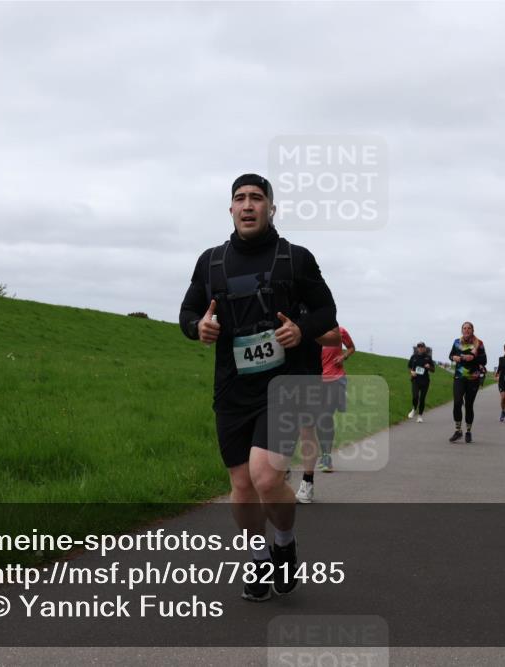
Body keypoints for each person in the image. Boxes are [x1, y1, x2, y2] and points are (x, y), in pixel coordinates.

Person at [179, 174, 337, 601]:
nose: (248, 205)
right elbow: (188, 311)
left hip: (286, 385)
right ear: (230, 209)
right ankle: (258, 557)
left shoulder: (295, 259)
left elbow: (327, 311)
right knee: (242, 488)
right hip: (233, 388)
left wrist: (300, 330)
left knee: (266, 477)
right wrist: (200, 327)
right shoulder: (211, 262)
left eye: (256, 198)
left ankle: (283, 543)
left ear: (271, 207)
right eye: (239, 198)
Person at [292, 323, 340, 504]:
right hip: (277, 376)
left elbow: (336, 338)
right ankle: (278, 471)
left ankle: (307, 481)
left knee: (308, 428)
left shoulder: (315, 301)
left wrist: (303, 331)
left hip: (312, 377)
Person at [315, 325, 354, 473]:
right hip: (318, 380)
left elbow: (351, 347)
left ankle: (327, 457)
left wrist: (343, 356)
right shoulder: (312, 332)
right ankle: (324, 453)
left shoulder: (340, 331)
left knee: (326, 414)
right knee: (319, 418)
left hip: (336, 379)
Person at [448, 322, 487, 443]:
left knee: (469, 405)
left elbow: (484, 360)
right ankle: (458, 430)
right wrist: (454, 358)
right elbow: (450, 355)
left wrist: (473, 357)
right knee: (457, 402)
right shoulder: (456, 342)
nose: (466, 330)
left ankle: (468, 431)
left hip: (473, 379)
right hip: (459, 377)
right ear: (462, 330)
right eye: (464, 328)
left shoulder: (479, 343)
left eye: (469, 328)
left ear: (473, 330)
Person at [407, 342, 433, 422]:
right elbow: (409, 366)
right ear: (417, 348)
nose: (420, 348)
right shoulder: (414, 357)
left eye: (422, 347)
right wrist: (412, 372)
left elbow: (433, 370)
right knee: (415, 396)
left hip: (425, 381)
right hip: (415, 380)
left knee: (422, 399)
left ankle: (420, 416)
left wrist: (429, 367)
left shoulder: (428, 358)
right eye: (419, 347)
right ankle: (414, 409)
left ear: (425, 348)